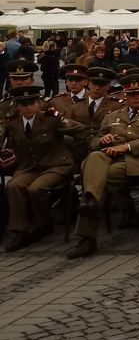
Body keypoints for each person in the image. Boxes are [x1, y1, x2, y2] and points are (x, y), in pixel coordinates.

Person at [68, 74, 139, 259]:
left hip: (136, 161)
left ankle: (87, 234)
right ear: (125, 95)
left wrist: (128, 146)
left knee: (96, 180)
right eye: (131, 94)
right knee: (95, 157)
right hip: (108, 158)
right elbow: (93, 141)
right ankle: (91, 203)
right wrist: (102, 140)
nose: (136, 97)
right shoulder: (113, 116)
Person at [3, 85, 84, 251]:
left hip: (57, 165)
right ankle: (19, 231)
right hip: (30, 167)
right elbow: (11, 145)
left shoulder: (51, 118)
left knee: (36, 189)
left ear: (38, 103)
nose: (28, 107)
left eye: (32, 103)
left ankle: (43, 224)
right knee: (13, 186)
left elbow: (79, 130)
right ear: (18, 106)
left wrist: (78, 158)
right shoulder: (13, 124)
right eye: (24, 104)